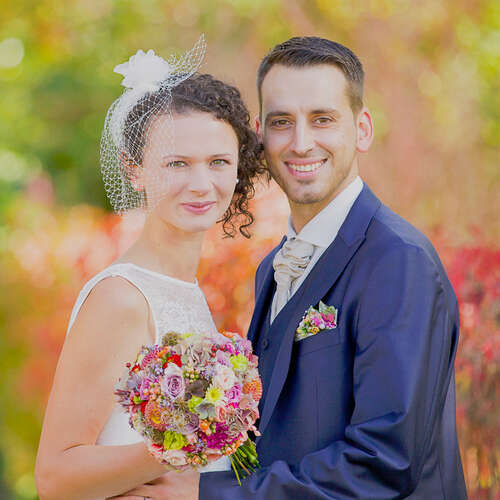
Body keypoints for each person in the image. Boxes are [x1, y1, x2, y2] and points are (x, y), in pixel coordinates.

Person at [195, 36, 468, 499]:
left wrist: (207, 494)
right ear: (260, 135)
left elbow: (383, 463)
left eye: (323, 119)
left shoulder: (398, 262)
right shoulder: (271, 270)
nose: (302, 143)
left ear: (362, 129)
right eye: (283, 122)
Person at [34, 37, 264, 500]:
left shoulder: (185, 289)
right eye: (177, 163)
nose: (201, 184)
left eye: (218, 162)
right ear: (134, 169)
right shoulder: (121, 297)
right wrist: (184, 444)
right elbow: (55, 477)